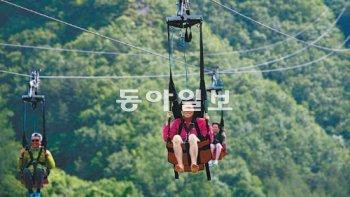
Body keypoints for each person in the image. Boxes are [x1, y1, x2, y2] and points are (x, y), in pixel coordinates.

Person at [163, 101, 212, 173]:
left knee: (192, 137)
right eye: (185, 109)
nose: (187, 111)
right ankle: (180, 165)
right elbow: (166, 137)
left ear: (193, 110)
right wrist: (167, 121)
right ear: (182, 111)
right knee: (176, 137)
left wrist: (208, 122)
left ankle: (194, 163)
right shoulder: (177, 122)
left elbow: (210, 137)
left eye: (189, 108)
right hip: (181, 144)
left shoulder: (201, 121)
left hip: (197, 143)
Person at [18, 133, 55, 197]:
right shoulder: (27, 152)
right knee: (25, 170)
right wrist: (21, 156)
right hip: (29, 174)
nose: (34, 142)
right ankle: (31, 192)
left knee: (38, 169)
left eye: (36, 140)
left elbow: (52, 166)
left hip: (41, 173)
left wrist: (48, 157)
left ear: (40, 142)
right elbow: (20, 167)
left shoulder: (45, 151)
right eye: (33, 140)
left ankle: (38, 192)